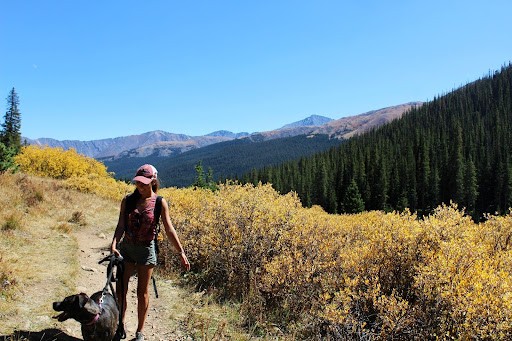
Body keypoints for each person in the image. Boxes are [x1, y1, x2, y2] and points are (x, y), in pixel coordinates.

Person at [111, 164, 190, 341]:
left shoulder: (160, 202)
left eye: (144, 183)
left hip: (146, 251)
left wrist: (181, 252)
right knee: (121, 290)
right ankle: (120, 326)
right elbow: (121, 225)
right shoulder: (128, 200)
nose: (140, 186)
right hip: (127, 250)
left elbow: (169, 229)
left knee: (142, 292)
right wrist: (114, 243)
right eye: (138, 182)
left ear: (153, 180)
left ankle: (139, 332)